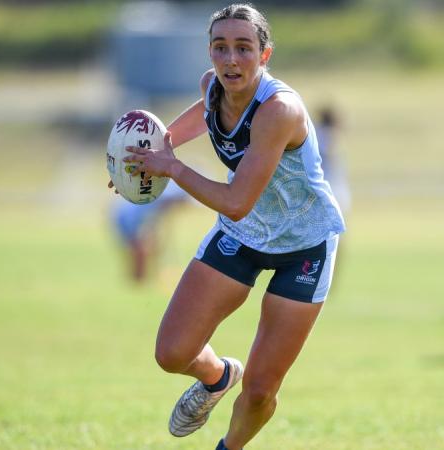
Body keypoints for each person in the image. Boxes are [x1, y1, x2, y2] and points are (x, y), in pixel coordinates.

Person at [109, 4, 345, 449]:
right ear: (210, 52)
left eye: (243, 48)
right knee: (172, 353)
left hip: (304, 246)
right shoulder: (212, 87)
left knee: (259, 391)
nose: (231, 59)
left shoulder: (279, 110)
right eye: (220, 47)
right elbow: (195, 121)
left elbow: (236, 203)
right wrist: (141, 160)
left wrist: (171, 168)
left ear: (264, 54)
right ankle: (217, 376)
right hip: (245, 235)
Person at [112, 181, 189, 283]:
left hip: (135, 209)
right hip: (135, 212)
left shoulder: (130, 230)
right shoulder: (131, 231)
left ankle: (144, 274)